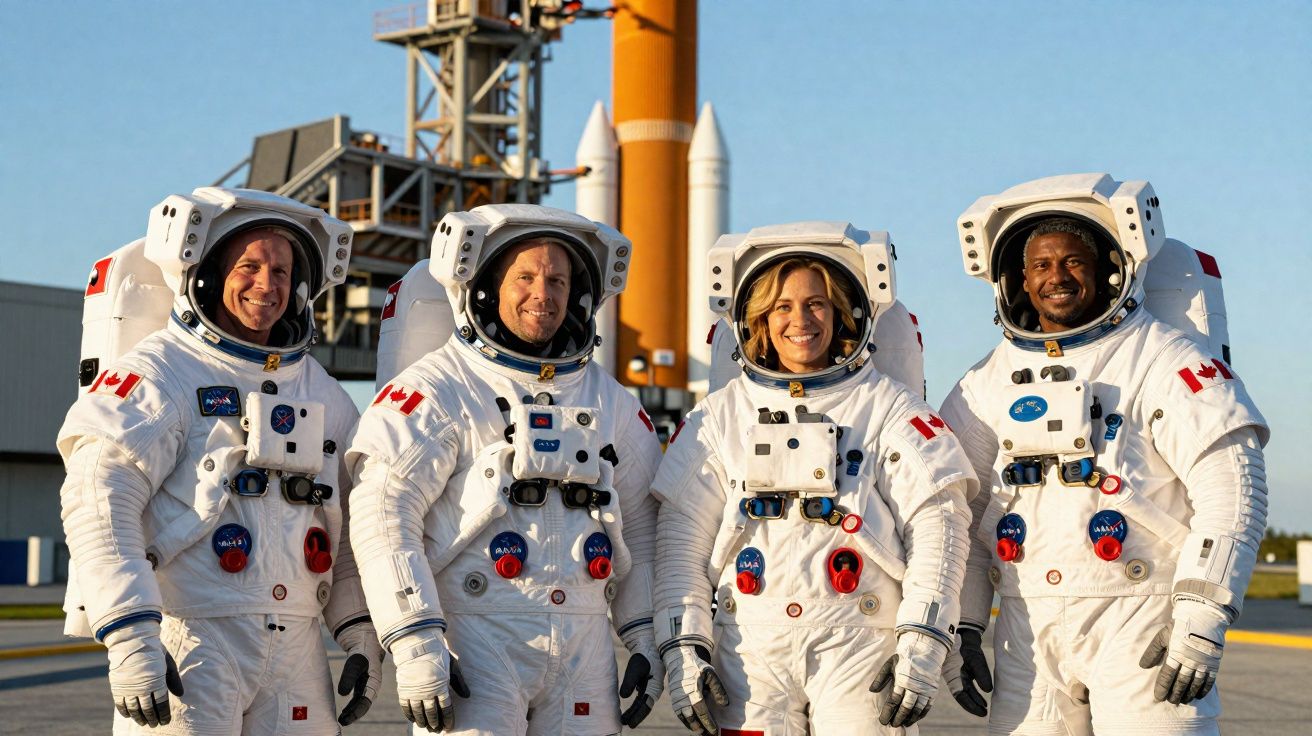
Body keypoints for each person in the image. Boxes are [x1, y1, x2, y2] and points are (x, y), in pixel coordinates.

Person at [941, 174, 1268, 735]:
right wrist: (965, 623)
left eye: (1073, 262)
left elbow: (1233, 485)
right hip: (1028, 628)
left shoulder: (1162, 359)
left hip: (1141, 617)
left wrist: (1202, 615)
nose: (1056, 276)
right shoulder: (984, 383)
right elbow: (956, 513)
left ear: (1108, 270)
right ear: (1018, 280)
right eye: (1041, 265)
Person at [58, 187, 380, 734]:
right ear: (206, 274)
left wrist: (359, 634)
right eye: (249, 266)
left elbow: (351, 529)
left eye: (281, 271)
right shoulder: (162, 375)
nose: (267, 284)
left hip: (297, 651)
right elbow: (98, 503)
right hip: (193, 639)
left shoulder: (324, 396)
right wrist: (131, 634)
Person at [347, 204, 664, 735]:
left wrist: (645, 637)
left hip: (584, 656)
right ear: (488, 287)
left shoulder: (610, 402)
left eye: (558, 279)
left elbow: (644, 531)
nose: (544, 294)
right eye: (526, 276)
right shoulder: (439, 388)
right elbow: (383, 515)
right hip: (473, 648)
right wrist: (415, 642)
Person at [652, 222, 977, 734]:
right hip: (749, 653)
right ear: (757, 317)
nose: (800, 320)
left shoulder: (886, 408)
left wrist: (922, 642)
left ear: (842, 313)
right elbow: (678, 543)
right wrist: (683, 647)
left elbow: (940, 526)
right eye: (782, 306)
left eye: (816, 304)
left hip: (862, 647)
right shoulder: (720, 417)